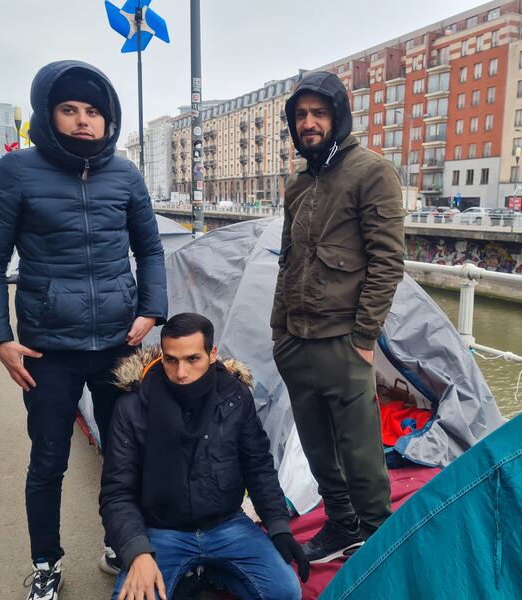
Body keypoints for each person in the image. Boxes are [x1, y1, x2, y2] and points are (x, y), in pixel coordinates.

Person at [0, 60, 167, 600]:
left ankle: (119, 541)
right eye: (70, 109)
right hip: (47, 349)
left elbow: (150, 249)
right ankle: (46, 562)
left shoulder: (125, 175)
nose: (84, 120)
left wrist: (151, 310)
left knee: (124, 453)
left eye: (94, 111)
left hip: (118, 345)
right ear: (48, 114)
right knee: (48, 460)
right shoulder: (17, 172)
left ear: (108, 119)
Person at [270, 71, 406, 563]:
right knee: (317, 447)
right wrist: (279, 330)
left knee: (361, 452)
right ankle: (342, 524)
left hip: (343, 339)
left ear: (338, 116)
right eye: (301, 115)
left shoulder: (372, 172)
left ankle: (378, 541)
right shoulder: (298, 183)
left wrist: (364, 338)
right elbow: (288, 260)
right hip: (295, 339)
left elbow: (387, 261)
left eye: (319, 113)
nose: (309, 123)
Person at [100, 313, 308, 600]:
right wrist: (137, 552)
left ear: (212, 354)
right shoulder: (132, 407)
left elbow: (258, 466)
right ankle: (194, 572)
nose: (181, 372)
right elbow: (116, 492)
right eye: (171, 360)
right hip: (162, 530)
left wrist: (279, 526)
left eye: (192, 359)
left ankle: (209, 572)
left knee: (285, 591)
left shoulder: (235, 397)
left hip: (227, 524)